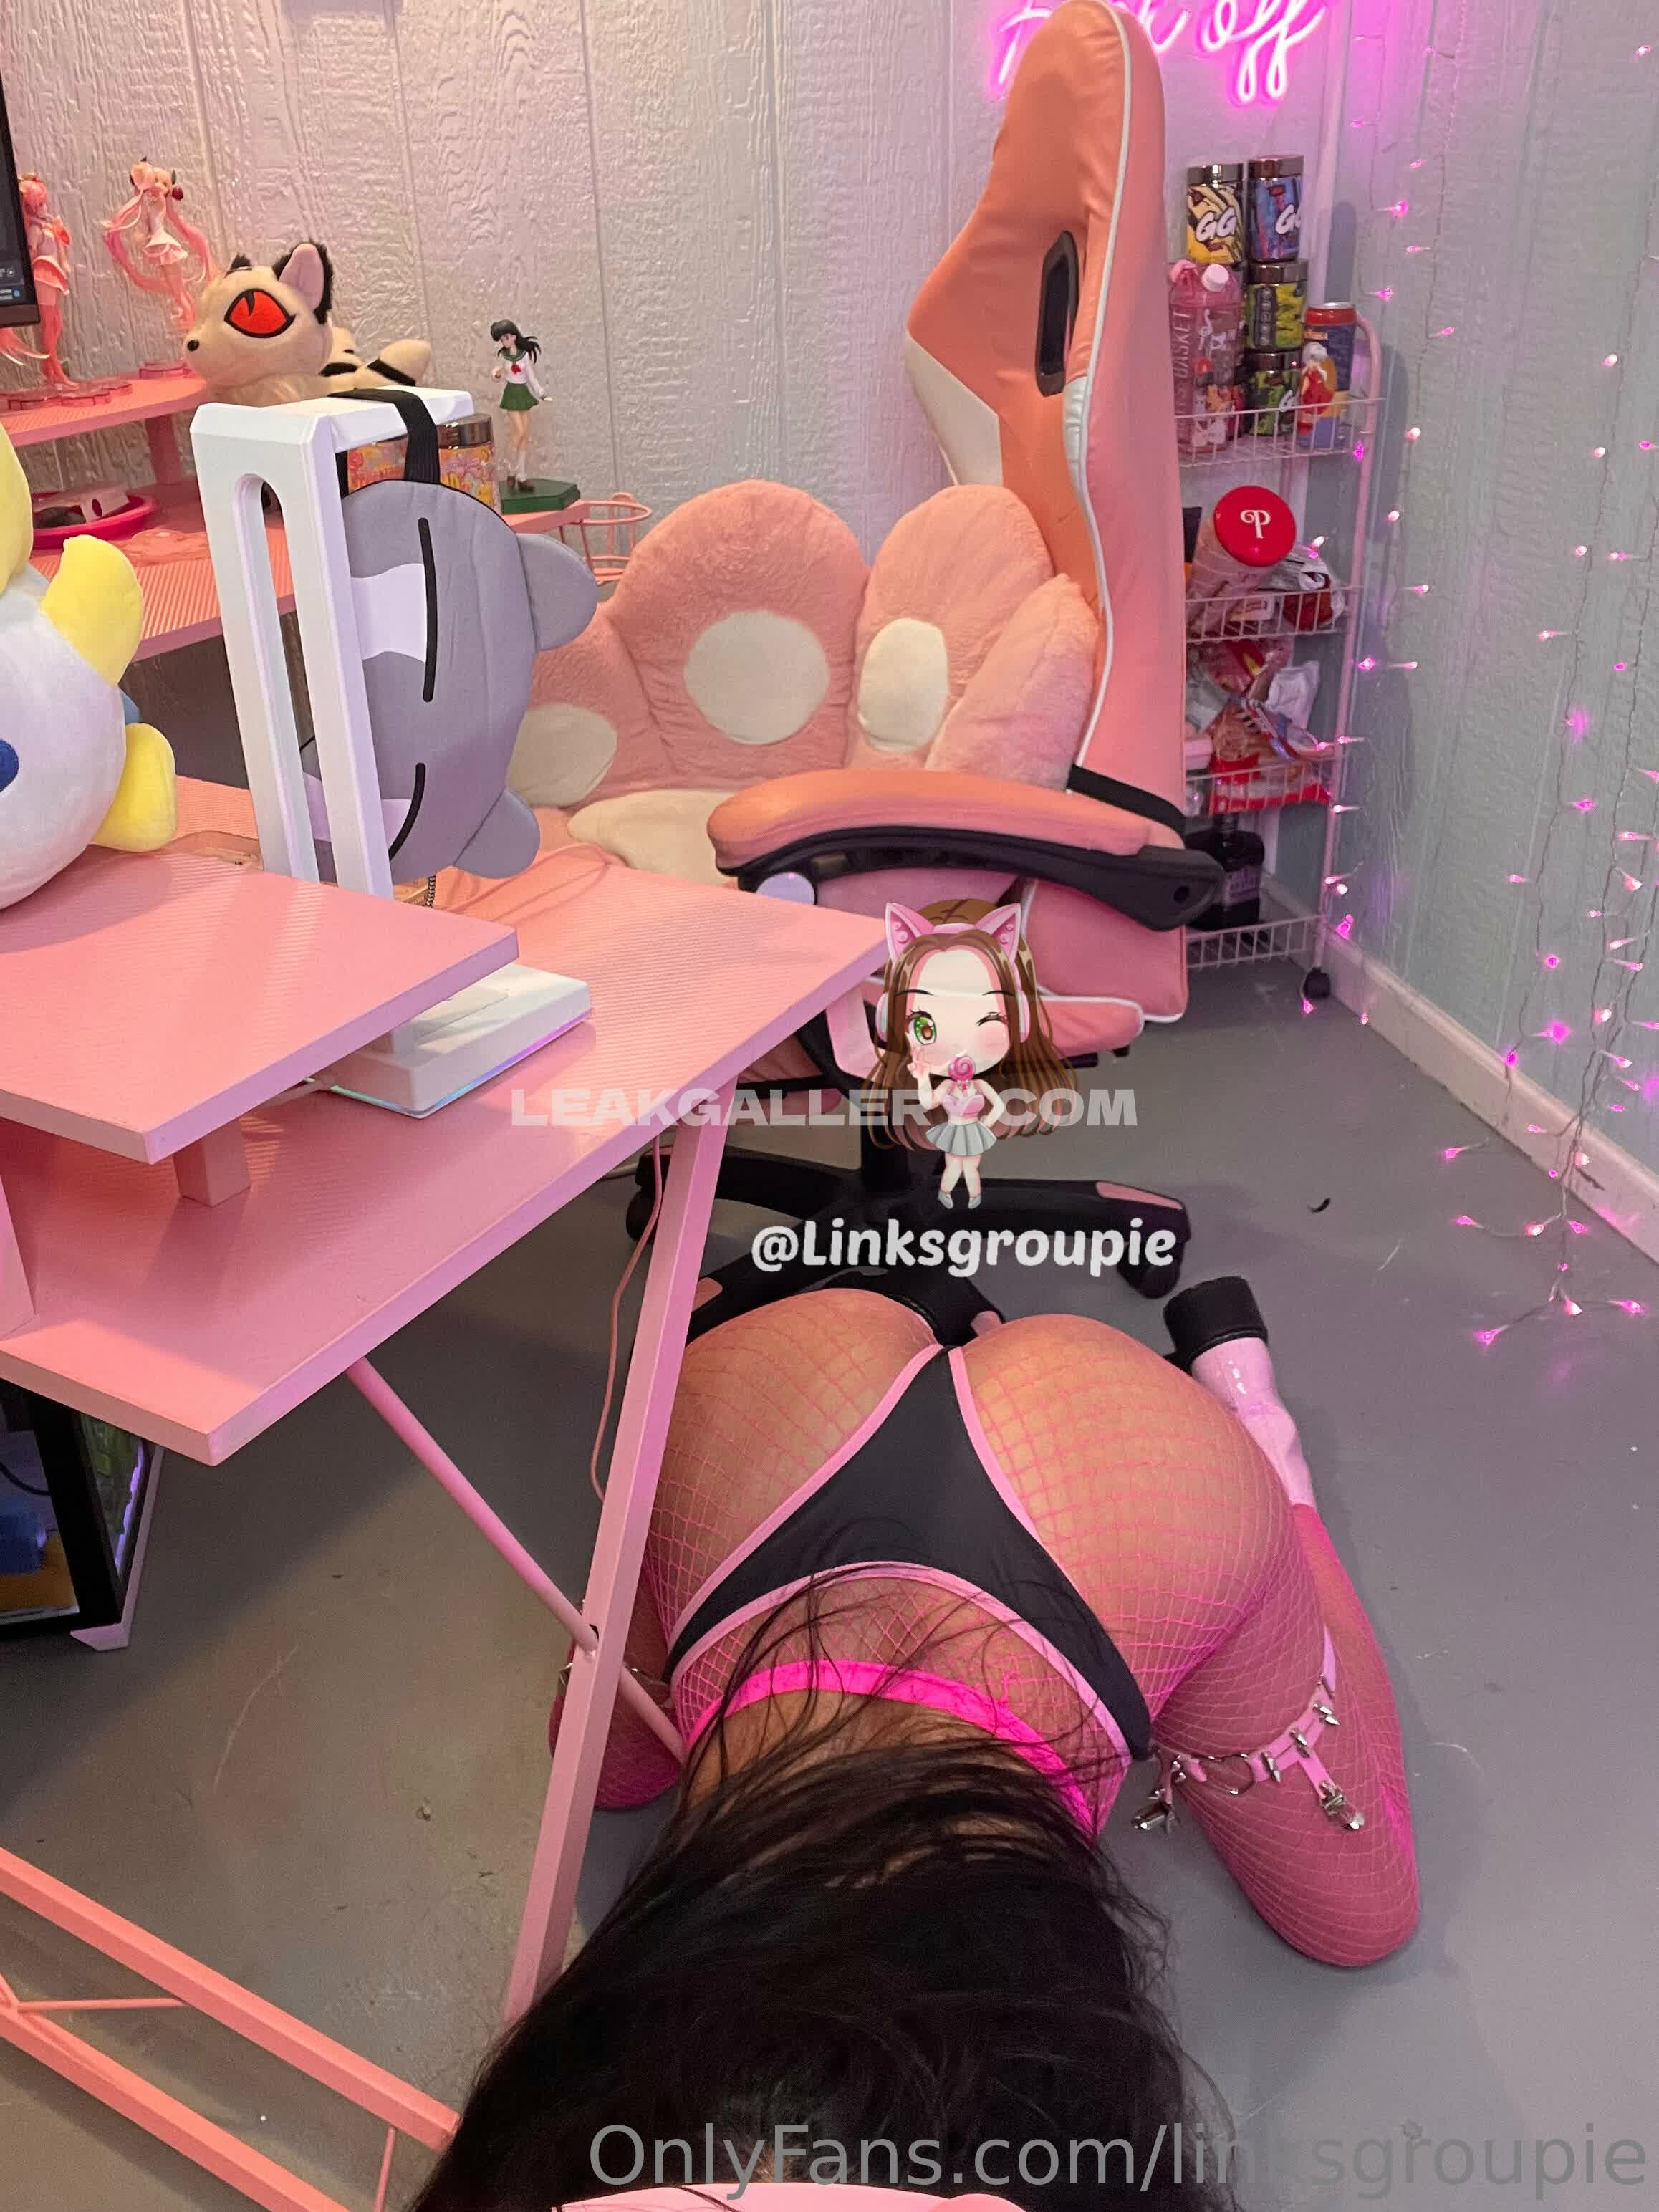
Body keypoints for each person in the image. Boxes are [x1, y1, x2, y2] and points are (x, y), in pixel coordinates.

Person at [415, 1281, 1416, 2210]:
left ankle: (1263, 1463)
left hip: (949, 1453)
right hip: (848, 1423)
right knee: (1360, 1920)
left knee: (600, 1762)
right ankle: (1259, 1451)